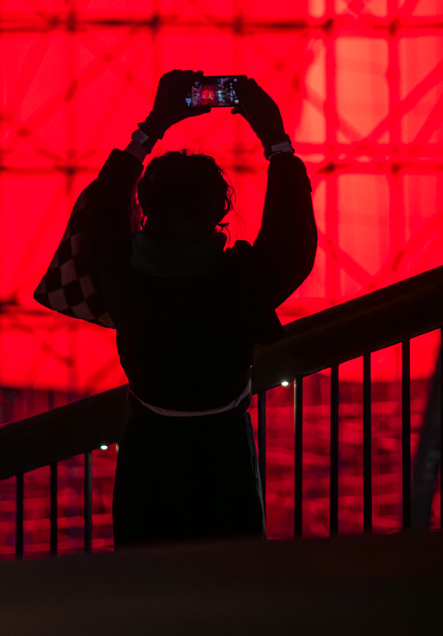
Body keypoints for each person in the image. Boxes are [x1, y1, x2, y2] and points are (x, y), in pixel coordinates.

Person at [34, 70, 317, 546]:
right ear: (219, 214)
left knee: (148, 586)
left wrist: (152, 126)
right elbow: (292, 242)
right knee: (231, 586)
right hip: (222, 450)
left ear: (144, 210)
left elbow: (100, 213)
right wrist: (276, 141)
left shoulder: (118, 272)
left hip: (148, 447)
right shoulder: (239, 283)